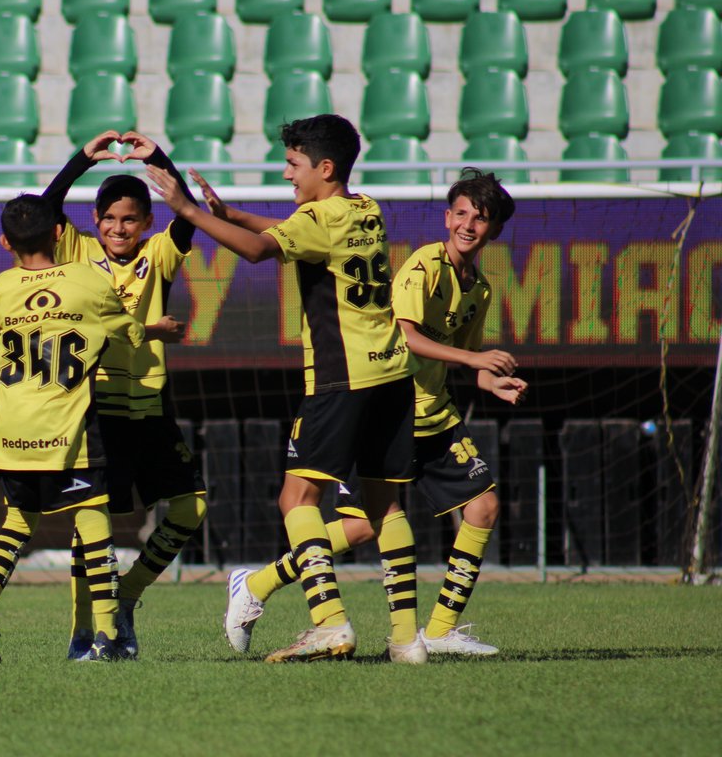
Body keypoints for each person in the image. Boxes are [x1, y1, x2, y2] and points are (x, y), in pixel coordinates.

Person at [147, 114, 426, 663]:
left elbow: (259, 251)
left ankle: (329, 624)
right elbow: (302, 229)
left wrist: (190, 212)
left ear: (325, 167)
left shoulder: (318, 217)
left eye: (295, 164)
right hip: (393, 373)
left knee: (296, 498)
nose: (286, 172)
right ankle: (406, 640)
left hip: (341, 377)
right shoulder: (366, 208)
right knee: (384, 507)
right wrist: (230, 214)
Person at [222, 168, 528, 657]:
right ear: (448, 218)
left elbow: (459, 352)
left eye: (482, 219)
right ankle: (258, 583)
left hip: (435, 415)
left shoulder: (480, 288)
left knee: (483, 506)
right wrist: (473, 360)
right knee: (366, 524)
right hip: (390, 402)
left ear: (495, 230)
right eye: (463, 214)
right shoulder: (423, 267)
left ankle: (440, 629)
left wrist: (489, 378)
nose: (470, 225)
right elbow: (404, 335)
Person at [0, 193, 184, 662]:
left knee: (17, 523)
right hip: (68, 428)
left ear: (3, 242)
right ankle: (107, 636)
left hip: (10, 431)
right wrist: (156, 329)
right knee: (93, 520)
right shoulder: (88, 280)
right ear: (60, 233)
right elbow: (128, 331)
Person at [41, 130, 207, 660]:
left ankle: (127, 595)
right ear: (95, 222)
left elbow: (188, 211)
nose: (118, 228)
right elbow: (42, 209)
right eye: (109, 218)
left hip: (152, 406)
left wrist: (157, 157)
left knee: (190, 508)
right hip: (96, 408)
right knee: (92, 524)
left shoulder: (159, 254)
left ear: (146, 224)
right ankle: (82, 634)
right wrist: (81, 160)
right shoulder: (76, 250)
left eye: (129, 218)